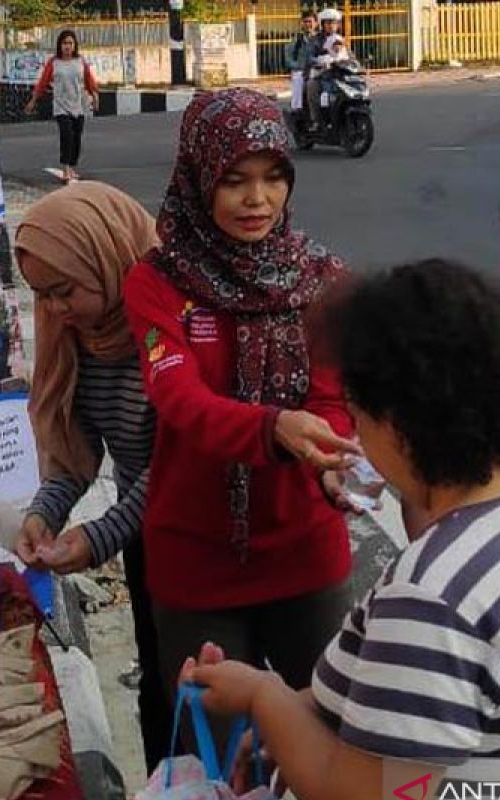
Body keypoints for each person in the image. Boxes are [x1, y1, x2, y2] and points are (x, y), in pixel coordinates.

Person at [186, 260, 500, 798]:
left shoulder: (437, 591)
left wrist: (262, 698)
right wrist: (291, 717)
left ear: (398, 419)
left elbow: (367, 792)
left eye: (357, 414)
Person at [123, 89, 363, 737]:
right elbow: (178, 397)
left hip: (306, 555)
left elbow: (332, 399)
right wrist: (272, 430)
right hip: (196, 568)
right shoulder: (157, 284)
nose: (258, 200)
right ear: (200, 178)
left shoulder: (324, 280)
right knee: (217, 760)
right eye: (235, 181)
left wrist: (331, 456)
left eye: (273, 177)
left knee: (328, 744)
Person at [11, 181, 170, 772]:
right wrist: (44, 514)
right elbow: (74, 449)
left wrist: (102, 535)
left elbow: (184, 462)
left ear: (107, 256)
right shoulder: (78, 333)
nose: (51, 310)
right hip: (147, 532)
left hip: (212, 533)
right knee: (159, 684)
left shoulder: (175, 320)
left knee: (209, 697)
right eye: (40, 295)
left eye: (63, 291)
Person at [24, 30, 100, 184]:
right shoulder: (54, 63)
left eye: (70, 43)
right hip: (61, 106)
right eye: (64, 43)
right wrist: (33, 101)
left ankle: (72, 167)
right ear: (60, 45)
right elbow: (42, 83)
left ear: (74, 46)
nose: (67, 46)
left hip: (79, 105)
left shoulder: (80, 62)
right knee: (67, 135)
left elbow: (89, 80)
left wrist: (95, 97)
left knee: (77, 137)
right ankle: (65, 169)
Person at [306, 8, 351, 130]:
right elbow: (310, 57)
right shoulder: (315, 40)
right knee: (312, 87)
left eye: (334, 23)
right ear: (322, 24)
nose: (331, 26)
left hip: (338, 74)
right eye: (328, 23)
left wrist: (356, 64)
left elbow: (349, 56)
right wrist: (320, 62)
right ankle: (316, 121)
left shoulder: (340, 39)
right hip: (320, 74)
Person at [286, 11, 319, 116]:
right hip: (302, 71)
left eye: (310, 22)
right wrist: (299, 67)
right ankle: (297, 109)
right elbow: (289, 58)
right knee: (297, 77)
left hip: (320, 70)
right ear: (301, 23)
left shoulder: (321, 39)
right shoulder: (297, 40)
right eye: (305, 22)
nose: (308, 24)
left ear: (316, 23)